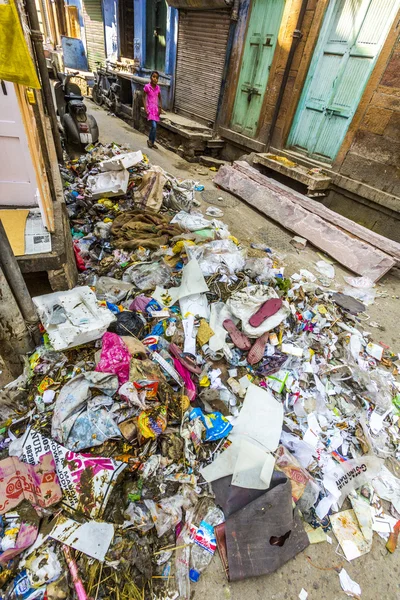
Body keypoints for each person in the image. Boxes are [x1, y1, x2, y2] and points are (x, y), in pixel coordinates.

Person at [143, 71, 162, 149]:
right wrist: (145, 108)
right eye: (154, 77)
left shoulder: (158, 88)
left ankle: (152, 141)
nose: (155, 79)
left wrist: (160, 108)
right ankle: (150, 140)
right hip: (150, 109)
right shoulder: (147, 87)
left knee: (155, 127)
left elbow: (160, 98)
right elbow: (143, 97)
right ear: (151, 77)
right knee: (153, 126)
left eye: (157, 78)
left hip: (156, 110)